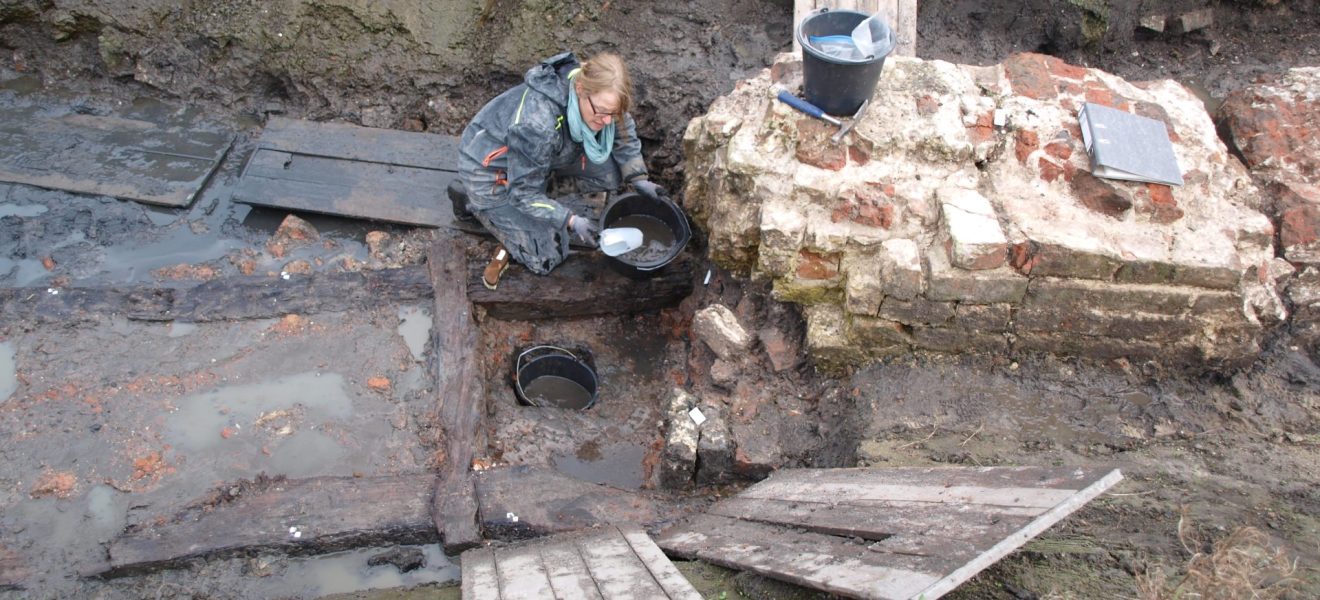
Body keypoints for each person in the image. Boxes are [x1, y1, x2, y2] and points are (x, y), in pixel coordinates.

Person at [455, 51, 668, 290]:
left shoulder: (601, 95)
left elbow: (623, 128)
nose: (607, 121)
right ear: (580, 89)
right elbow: (522, 193)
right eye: (601, 112)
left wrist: (638, 177)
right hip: (491, 174)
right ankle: (472, 203)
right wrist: (569, 219)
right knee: (546, 258)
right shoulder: (537, 125)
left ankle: (542, 194)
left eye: (613, 113)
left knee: (613, 173)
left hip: (543, 158)